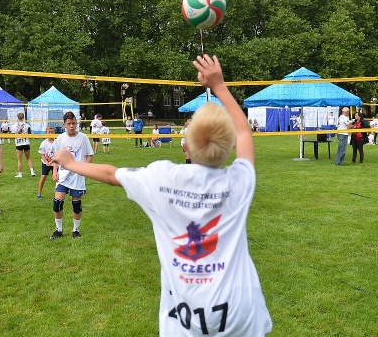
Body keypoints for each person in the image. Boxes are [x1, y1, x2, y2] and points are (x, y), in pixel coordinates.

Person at [51, 54, 272, 336]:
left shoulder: (159, 178)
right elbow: (244, 133)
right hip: (240, 315)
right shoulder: (239, 181)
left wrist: (69, 163)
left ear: (185, 147)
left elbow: (110, 174)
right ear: (228, 150)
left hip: (184, 320)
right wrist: (219, 85)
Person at [50, 111, 94, 240]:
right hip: (63, 176)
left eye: (74, 123)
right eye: (69, 123)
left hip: (77, 176)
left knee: (76, 205)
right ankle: (59, 230)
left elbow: (90, 155)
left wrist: (84, 168)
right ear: (64, 124)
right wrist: (55, 171)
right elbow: (56, 158)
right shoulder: (60, 139)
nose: (72, 126)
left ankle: (76, 230)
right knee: (57, 203)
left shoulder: (83, 138)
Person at [12, 112, 36, 177]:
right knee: (28, 158)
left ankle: (20, 174)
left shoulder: (14, 126)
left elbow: (13, 135)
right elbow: (30, 134)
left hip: (19, 143)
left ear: (17, 117)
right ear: (23, 117)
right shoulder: (27, 125)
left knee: (19, 160)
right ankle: (32, 172)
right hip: (26, 143)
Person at [36, 126, 57, 199]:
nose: (51, 133)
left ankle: (58, 193)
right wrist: (46, 162)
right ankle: (39, 193)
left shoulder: (57, 142)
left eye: (52, 132)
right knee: (43, 177)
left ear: (55, 133)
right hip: (46, 163)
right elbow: (42, 154)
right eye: (49, 132)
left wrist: (51, 161)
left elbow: (58, 155)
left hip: (55, 163)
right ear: (46, 133)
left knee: (57, 178)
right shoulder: (44, 143)